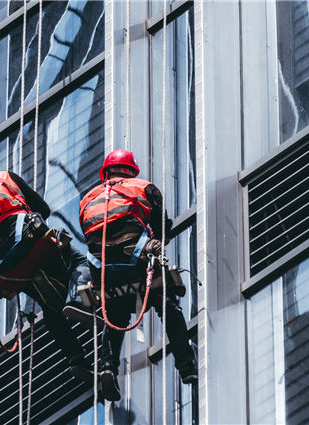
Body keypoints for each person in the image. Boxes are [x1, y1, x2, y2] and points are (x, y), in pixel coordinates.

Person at [0, 170, 91, 381]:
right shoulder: (4, 177)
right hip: (29, 237)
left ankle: (77, 359)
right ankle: (77, 301)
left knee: (49, 306)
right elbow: (43, 208)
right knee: (79, 262)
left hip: (5, 263)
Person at [79, 149, 197, 402]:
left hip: (101, 266)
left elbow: (87, 231)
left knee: (116, 313)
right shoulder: (144, 187)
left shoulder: (90, 196)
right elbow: (162, 226)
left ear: (106, 172)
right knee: (166, 303)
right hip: (134, 257)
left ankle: (108, 367)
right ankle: (187, 367)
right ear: (131, 171)